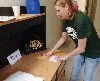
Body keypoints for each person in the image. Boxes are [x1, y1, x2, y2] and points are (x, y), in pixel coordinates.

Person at [43, 0, 100, 81]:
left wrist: (65, 56)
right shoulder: (66, 20)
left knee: (87, 78)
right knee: (74, 74)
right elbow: (63, 38)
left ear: (66, 7)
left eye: (58, 10)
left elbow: (81, 48)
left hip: (93, 52)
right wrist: (52, 51)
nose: (57, 14)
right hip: (80, 49)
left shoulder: (81, 20)